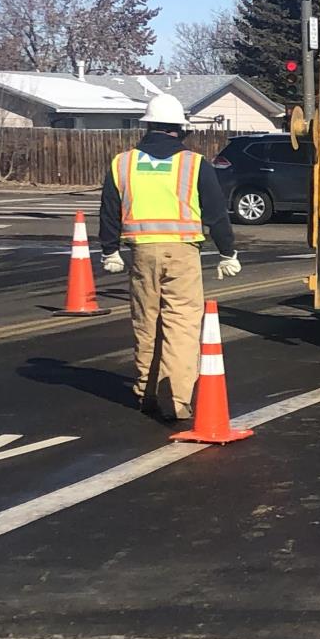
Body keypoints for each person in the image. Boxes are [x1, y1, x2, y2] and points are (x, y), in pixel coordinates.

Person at [98, 94, 241, 420]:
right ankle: (177, 402)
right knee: (182, 327)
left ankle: (145, 394)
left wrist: (110, 250)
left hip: (141, 254)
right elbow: (216, 212)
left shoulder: (123, 163)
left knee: (147, 324)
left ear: (147, 126)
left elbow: (109, 211)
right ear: (180, 129)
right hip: (182, 253)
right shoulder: (194, 163)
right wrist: (227, 252)